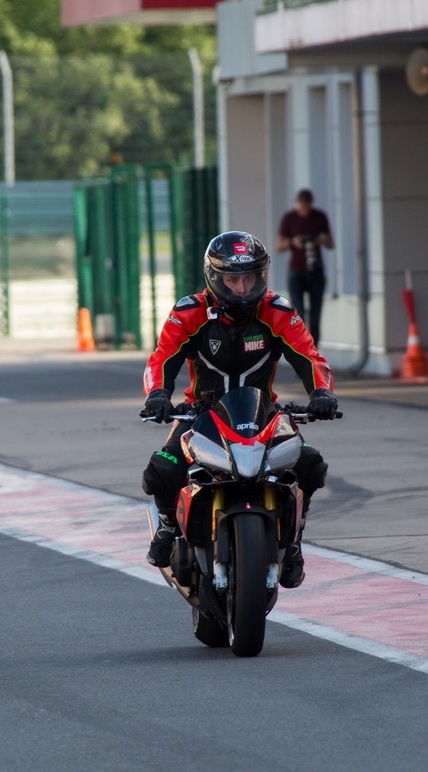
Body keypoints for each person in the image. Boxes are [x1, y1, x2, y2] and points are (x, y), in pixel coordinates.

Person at [141, 231, 339, 588]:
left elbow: (309, 356)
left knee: (310, 463)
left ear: (262, 275)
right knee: (163, 469)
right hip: (200, 413)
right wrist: (157, 395)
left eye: (250, 278)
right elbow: (162, 357)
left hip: (265, 414)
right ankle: (169, 525)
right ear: (214, 277)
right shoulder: (189, 311)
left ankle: (293, 541)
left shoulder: (278, 310)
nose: (243, 289)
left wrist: (322, 393)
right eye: (233, 280)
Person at [275, 188, 333, 334]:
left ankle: (314, 344)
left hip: (315, 269)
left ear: (311, 204)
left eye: (307, 205)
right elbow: (279, 246)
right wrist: (293, 242)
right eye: (301, 205)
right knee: (298, 313)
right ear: (297, 203)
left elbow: (330, 243)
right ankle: (301, 342)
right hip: (296, 269)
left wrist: (320, 240)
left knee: (315, 315)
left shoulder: (319, 217)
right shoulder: (289, 218)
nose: (304, 209)